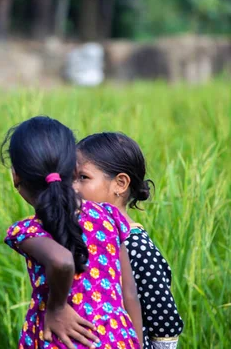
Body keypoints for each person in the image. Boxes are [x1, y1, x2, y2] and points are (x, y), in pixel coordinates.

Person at [2, 116, 143, 349]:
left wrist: (56, 308)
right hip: (118, 339)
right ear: (73, 169)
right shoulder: (108, 216)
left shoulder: (28, 230)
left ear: (16, 175)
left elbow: (62, 261)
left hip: (62, 341)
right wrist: (134, 342)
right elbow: (129, 293)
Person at [75, 132, 183, 349]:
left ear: (120, 184)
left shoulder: (135, 246)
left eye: (83, 178)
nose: (73, 187)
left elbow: (165, 319)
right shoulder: (88, 236)